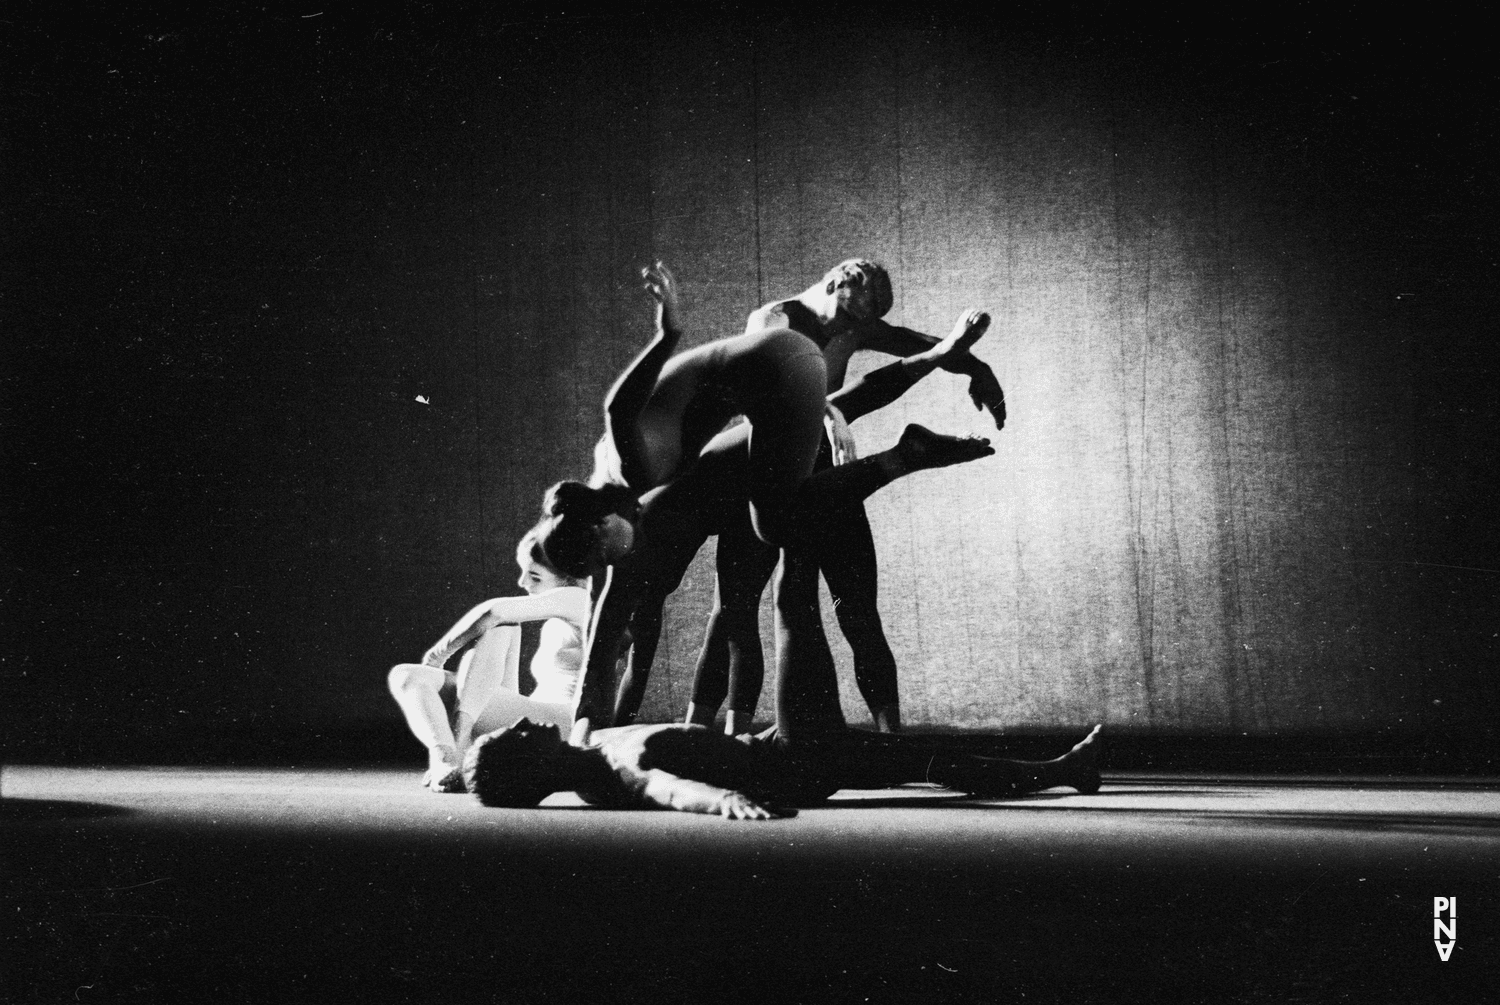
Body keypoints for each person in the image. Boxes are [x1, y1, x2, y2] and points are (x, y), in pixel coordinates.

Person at [535, 262, 991, 730]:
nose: (611, 564)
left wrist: (667, 332)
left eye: (603, 558)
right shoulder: (616, 523)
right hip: (786, 373)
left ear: (598, 525)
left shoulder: (628, 470)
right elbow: (602, 644)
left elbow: (617, 408)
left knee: (774, 530)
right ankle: (907, 441)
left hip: (781, 370)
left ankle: (902, 456)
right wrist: (588, 735)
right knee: (770, 537)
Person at [684, 260, 1006, 735]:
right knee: (735, 608)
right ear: (833, 283)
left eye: (860, 326)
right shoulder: (774, 320)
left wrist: (975, 366)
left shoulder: (853, 327)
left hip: (821, 472)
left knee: (855, 608)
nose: (852, 331)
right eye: (849, 317)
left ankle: (890, 735)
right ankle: (699, 729)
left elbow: (920, 347)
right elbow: (771, 388)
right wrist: (831, 413)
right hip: (767, 472)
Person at [462, 718, 1102, 818]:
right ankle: (1062, 770)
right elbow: (667, 788)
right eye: (515, 735)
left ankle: (1063, 770)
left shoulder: (587, 749)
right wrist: (725, 802)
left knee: (924, 757)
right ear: (531, 762)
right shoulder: (618, 763)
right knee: (926, 759)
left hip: (767, 746)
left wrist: (459, 772)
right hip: (790, 764)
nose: (523, 722)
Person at [387, 529, 590, 792]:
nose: (522, 582)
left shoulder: (578, 597)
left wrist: (437, 655)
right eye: (523, 572)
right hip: (531, 714)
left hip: (558, 725)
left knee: (498, 622)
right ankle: (447, 756)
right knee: (408, 675)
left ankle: (457, 749)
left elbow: (493, 610)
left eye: (535, 576)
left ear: (567, 577)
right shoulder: (564, 612)